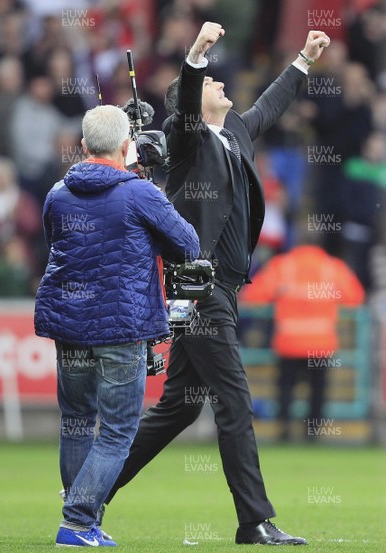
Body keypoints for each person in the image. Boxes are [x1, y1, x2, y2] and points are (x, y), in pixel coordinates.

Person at [104, 22, 331, 545]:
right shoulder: (185, 139)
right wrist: (196, 56)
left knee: (180, 407)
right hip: (199, 289)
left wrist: (304, 58)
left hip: (217, 290)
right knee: (234, 400)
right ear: (192, 99)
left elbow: (270, 105)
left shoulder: (235, 135)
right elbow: (185, 104)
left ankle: (90, 491)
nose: (222, 86)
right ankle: (254, 520)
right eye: (212, 85)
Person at [34, 104, 200, 547]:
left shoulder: (57, 193)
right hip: (121, 327)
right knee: (118, 431)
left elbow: (55, 243)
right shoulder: (139, 192)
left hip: (70, 324)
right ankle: (77, 519)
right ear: (127, 147)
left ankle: (78, 516)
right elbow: (188, 244)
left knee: (75, 421)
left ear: (84, 145)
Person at [241, 241, 365, 441]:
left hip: (288, 342)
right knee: (318, 391)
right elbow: (355, 297)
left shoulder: (282, 266)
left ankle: (285, 430)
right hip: (321, 344)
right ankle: (313, 434)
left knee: (285, 388)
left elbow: (253, 295)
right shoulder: (332, 267)